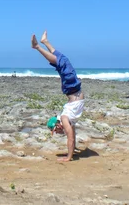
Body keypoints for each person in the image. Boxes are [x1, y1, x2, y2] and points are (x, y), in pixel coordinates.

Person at [31, 30, 85, 162]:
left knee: (62, 63)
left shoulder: (65, 118)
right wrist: (70, 155)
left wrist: (69, 156)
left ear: (57, 123)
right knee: (63, 62)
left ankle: (38, 46)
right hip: (73, 90)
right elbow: (71, 137)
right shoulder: (66, 119)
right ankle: (43, 43)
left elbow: (71, 137)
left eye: (56, 129)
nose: (59, 131)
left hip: (72, 89)